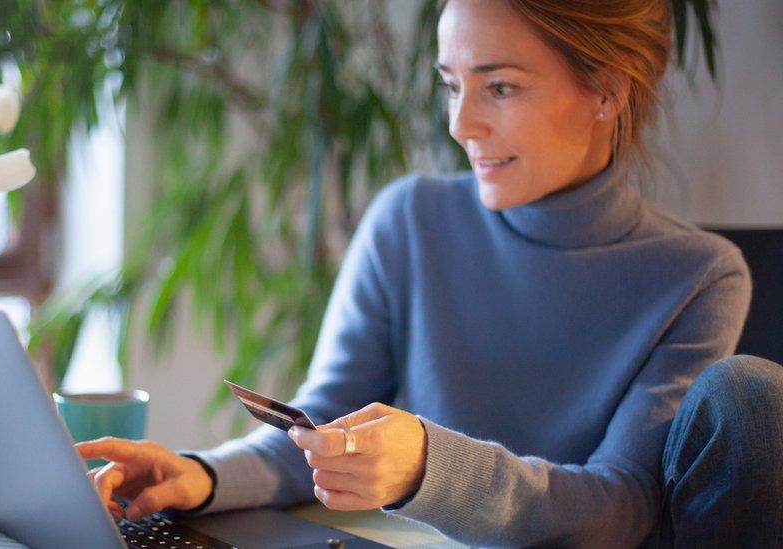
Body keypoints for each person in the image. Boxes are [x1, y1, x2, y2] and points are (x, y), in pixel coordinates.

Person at [77, 0, 783, 546]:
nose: (461, 124)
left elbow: (619, 506)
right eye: (452, 86)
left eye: (500, 88)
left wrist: (428, 466)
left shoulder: (700, 276)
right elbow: (315, 431)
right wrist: (196, 474)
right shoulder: (408, 220)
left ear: (606, 91)